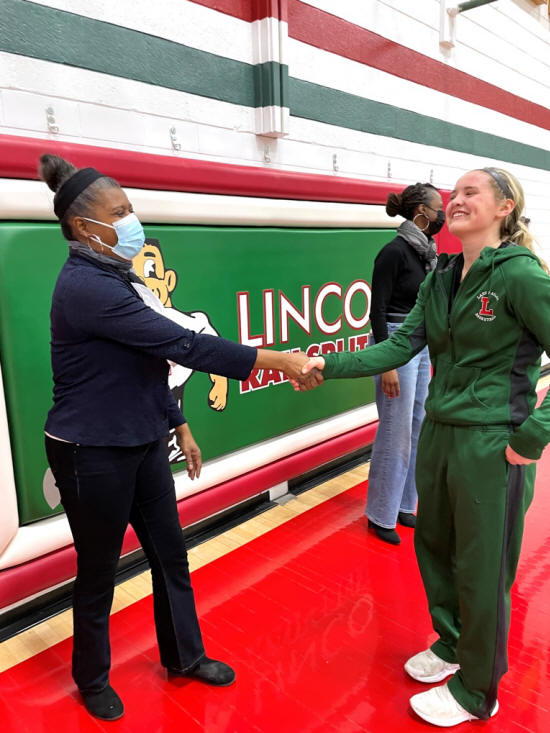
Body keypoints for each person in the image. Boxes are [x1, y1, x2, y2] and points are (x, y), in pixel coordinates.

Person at [40, 155, 308, 722]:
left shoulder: (121, 277)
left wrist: (178, 424)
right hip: (91, 450)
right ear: (84, 227)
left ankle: (185, 656)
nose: (131, 221)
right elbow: (184, 345)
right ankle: (91, 677)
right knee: (99, 571)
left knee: (170, 554)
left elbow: (151, 362)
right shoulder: (87, 288)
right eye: (119, 212)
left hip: (141, 438)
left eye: (129, 208)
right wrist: (279, 360)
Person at [298, 167, 550, 726]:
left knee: (482, 568)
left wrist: (532, 436)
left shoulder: (521, 275)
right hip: (439, 432)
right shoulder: (442, 275)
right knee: (435, 548)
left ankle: (478, 690)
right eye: (452, 193)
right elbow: (398, 347)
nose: (454, 201)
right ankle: (452, 642)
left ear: (504, 207)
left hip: (492, 442)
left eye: (469, 193)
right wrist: (326, 364)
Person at [366, 183, 443, 544]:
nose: (443, 214)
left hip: (420, 342)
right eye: (438, 207)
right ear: (421, 212)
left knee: (418, 426)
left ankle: (404, 504)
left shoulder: (427, 252)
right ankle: (380, 514)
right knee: (395, 431)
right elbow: (377, 310)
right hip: (395, 341)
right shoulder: (393, 252)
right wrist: (387, 364)